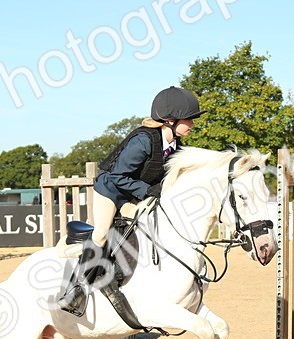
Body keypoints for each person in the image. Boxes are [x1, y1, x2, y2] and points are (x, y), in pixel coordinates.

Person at [57, 86, 202, 316]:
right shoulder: (143, 141)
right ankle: (76, 290)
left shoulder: (175, 147)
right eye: (189, 119)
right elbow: (117, 176)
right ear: (170, 120)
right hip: (110, 191)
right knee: (102, 234)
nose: (192, 124)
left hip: (133, 195)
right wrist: (148, 190)